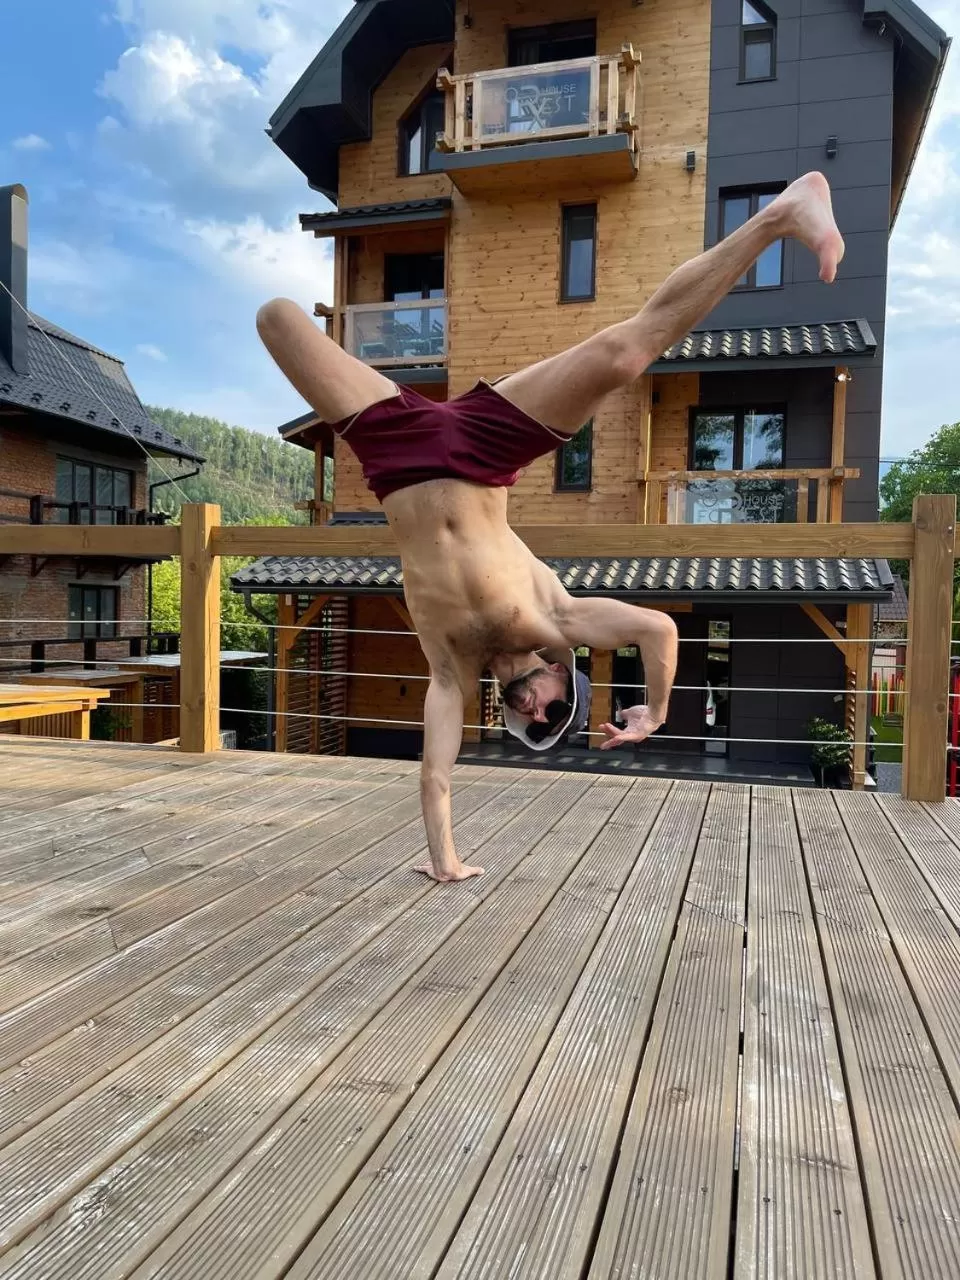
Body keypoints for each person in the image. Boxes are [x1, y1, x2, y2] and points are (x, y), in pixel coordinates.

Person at [257, 171, 844, 882]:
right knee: (624, 355)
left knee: (276, 318)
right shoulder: (557, 620)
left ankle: (784, 215)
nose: (536, 716)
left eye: (532, 726)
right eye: (553, 716)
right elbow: (659, 631)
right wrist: (655, 712)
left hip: (393, 448)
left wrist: (444, 860)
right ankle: (781, 214)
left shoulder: (452, 673)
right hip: (482, 451)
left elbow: (435, 773)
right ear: (564, 678)